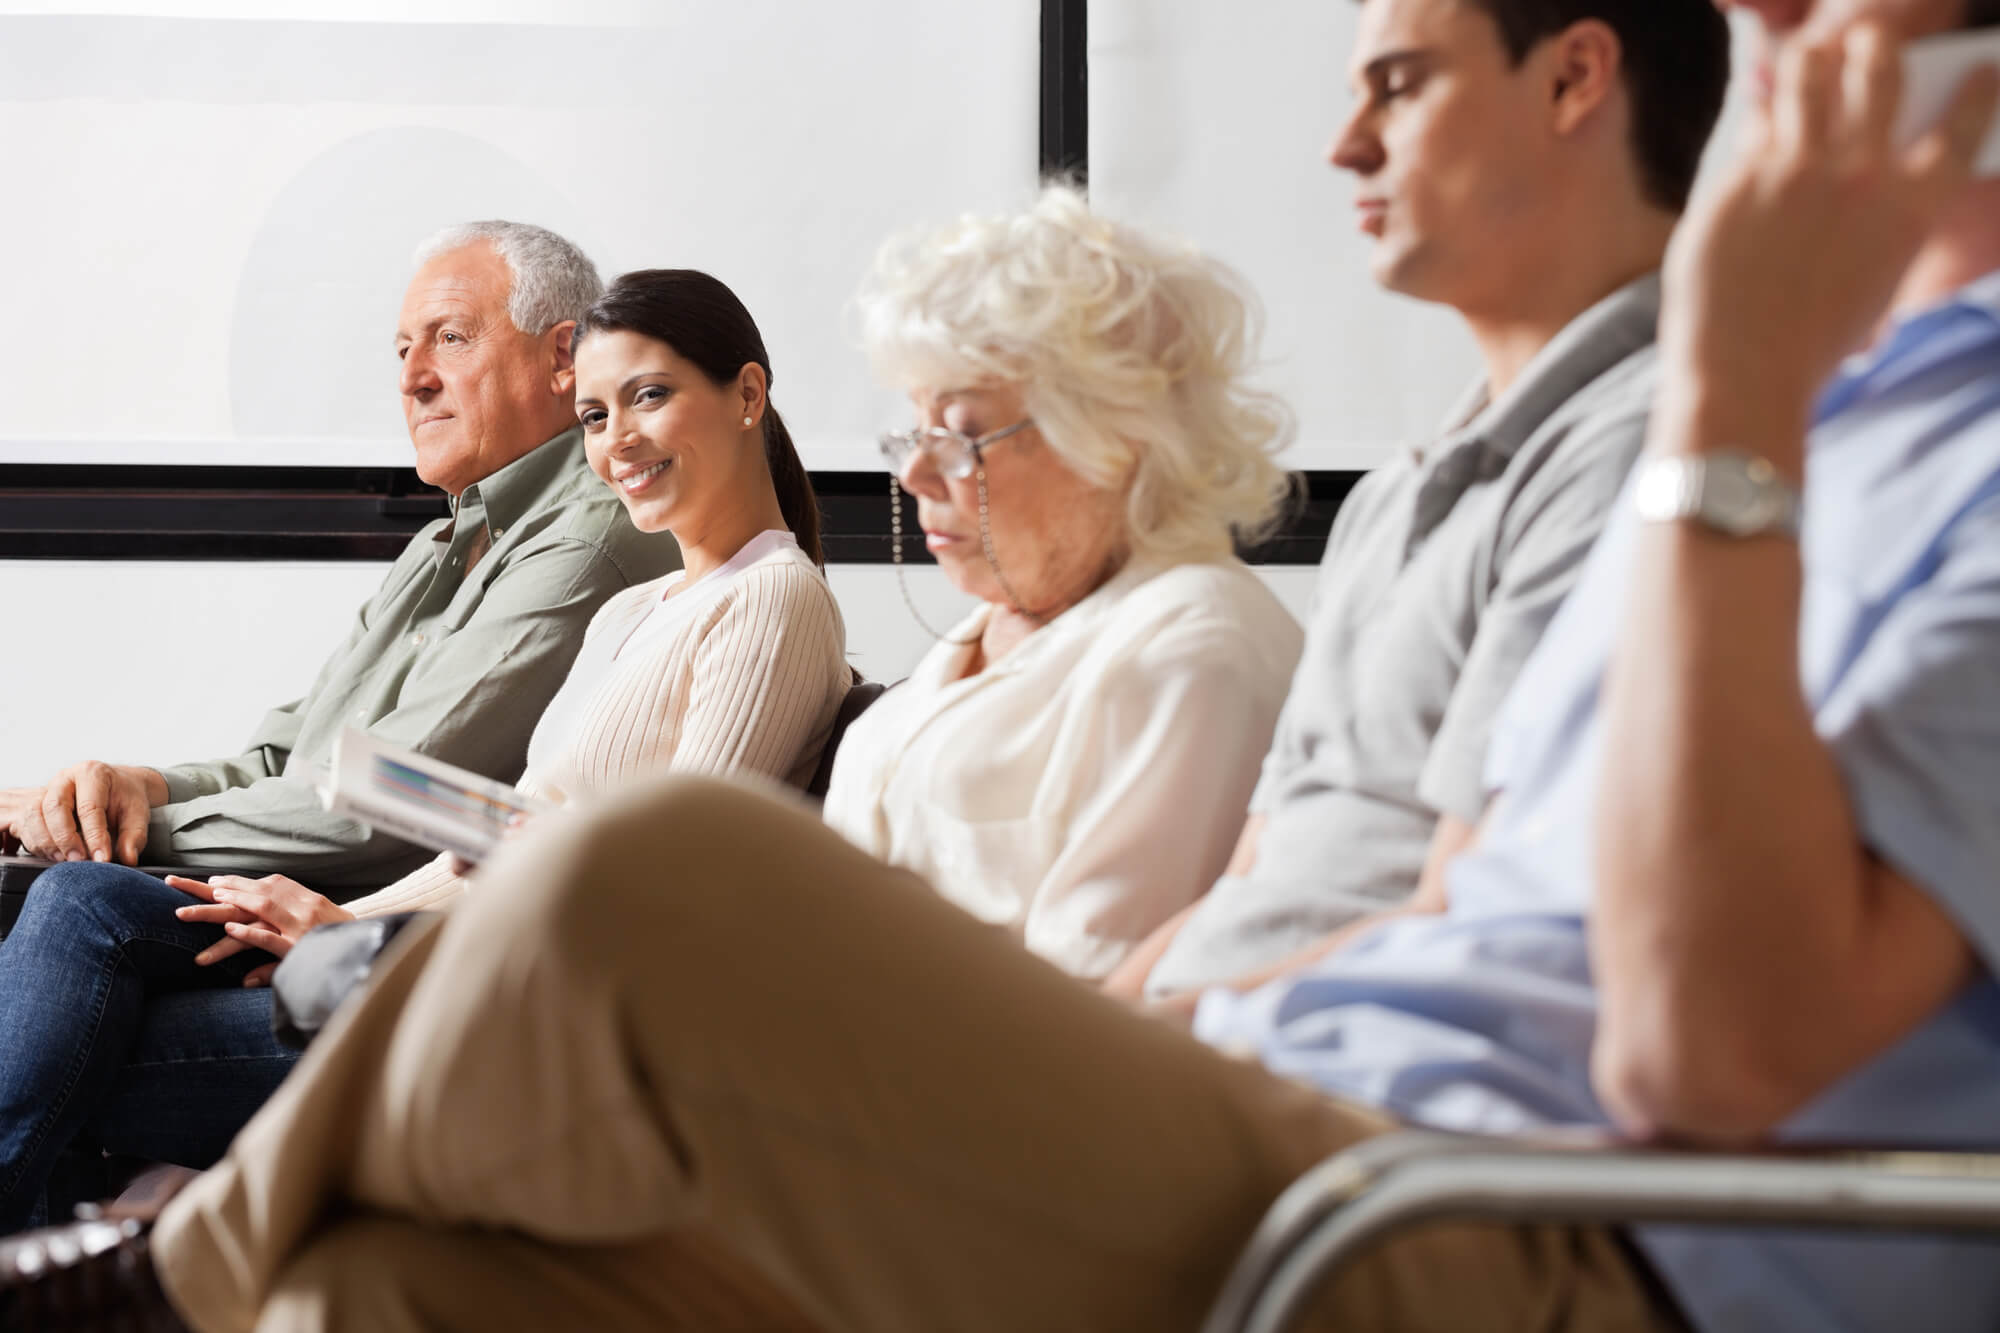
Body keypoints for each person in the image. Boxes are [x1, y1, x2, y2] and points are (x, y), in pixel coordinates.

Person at [100, 0, 2000, 1329]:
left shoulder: (1726, 449)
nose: (925, 484)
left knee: (643, 876)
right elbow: (1420, 879)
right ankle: (200, 1266)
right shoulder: (1634, 458)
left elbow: (1669, 1021)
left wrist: (1733, 411)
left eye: (972, 435)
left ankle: (161, 1270)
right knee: (387, 1289)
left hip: (1467, 1210)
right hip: (1274, 1110)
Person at [0, 268, 848, 1234]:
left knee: (70, 1028)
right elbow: (513, 836)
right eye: (596, 417)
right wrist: (341, 920)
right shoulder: (632, 611)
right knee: (78, 902)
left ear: (748, 394)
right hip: (445, 954)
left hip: (533, 1014)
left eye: (649, 397)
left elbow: (663, 889)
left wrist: (353, 932)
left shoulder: (772, 601)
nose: (617, 442)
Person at [1105, 0, 1732, 999]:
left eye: (1396, 87)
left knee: (764, 878)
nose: (1343, 147)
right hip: (1198, 1057)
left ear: (1572, 79)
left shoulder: (1648, 450)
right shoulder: (1394, 492)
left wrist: (1135, 1049)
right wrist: (1090, 1026)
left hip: (1323, 1091)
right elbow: (1247, 880)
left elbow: (1466, 915)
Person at [0, 221, 680, 893]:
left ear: (565, 359)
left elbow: (391, 802)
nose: (412, 379)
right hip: (317, 914)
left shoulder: (585, 541)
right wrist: (133, 790)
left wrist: (114, 832)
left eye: (449, 338)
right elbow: (290, 757)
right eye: (404, 349)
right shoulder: (437, 546)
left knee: (76, 898)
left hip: (404, 936)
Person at [819, 185, 1305, 979]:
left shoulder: (1196, 644)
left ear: (1112, 440)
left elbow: (1094, 1003)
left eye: (964, 432)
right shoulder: (992, 628)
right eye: (915, 426)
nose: (914, 470)